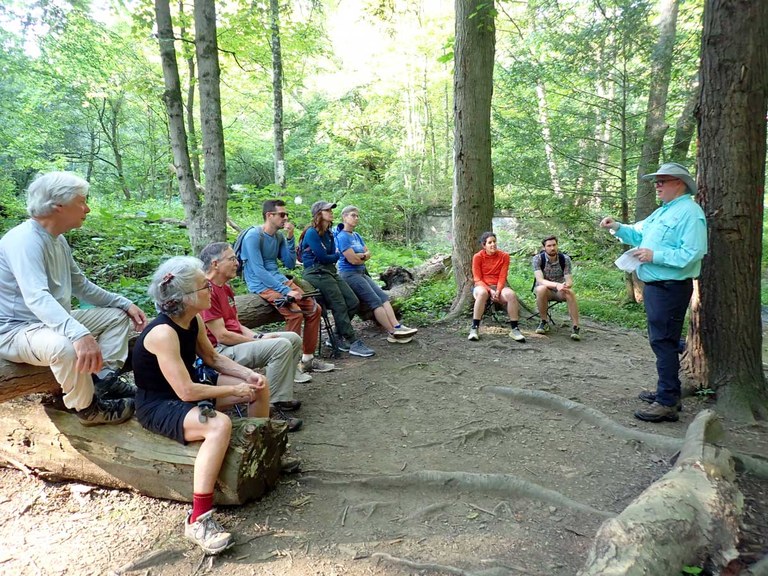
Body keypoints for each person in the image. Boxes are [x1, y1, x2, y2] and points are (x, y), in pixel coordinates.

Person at [133, 256, 271, 555]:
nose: (210, 288)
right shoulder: (163, 333)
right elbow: (185, 391)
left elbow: (212, 358)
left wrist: (247, 375)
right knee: (219, 425)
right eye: (203, 286)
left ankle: (261, 454)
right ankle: (198, 518)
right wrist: (233, 389)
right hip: (160, 404)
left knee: (258, 387)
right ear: (185, 297)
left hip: (190, 389)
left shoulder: (192, 320)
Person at [0, 171, 147, 426]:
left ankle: (102, 381)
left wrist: (124, 303)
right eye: (81, 201)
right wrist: (79, 334)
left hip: (50, 322)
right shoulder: (24, 241)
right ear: (58, 205)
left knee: (116, 317)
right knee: (65, 346)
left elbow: (82, 286)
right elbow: (37, 297)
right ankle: (88, 408)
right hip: (16, 330)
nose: (87, 209)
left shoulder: (57, 240)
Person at [600, 162, 706, 423]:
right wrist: (617, 226)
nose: (657, 185)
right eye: (656, 181)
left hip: (671, 288)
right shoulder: (663, 211)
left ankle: (667, 401)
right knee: (661, 341)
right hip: (656, 288)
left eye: (662, 181)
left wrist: (654, 255)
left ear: (679, 183)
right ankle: (668, 392)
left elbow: (693, 253)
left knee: (664, 342)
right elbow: (639, 233)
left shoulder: (690, 212)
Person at [199, 241, 304, 432]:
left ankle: (280, 398)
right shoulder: (206, 290)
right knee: (280, 346)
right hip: (219, 352)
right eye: (232, 259)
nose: (237, 263)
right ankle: (270, 409)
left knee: (293, 339)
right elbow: (222, 336)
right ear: (215, 264)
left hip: (234, 344)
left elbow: (236, 325)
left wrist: (260, 336)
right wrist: (257, 341)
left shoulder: (225, 287)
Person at [240, 199, 334, 374]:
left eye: (286, 214)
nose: (286, 218)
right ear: (270, 215)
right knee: (295, 313)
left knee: (315, 309)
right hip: (260, 283)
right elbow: (258, 270)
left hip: (278, 279)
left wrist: (290, 238)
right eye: (282, 214)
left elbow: (290, 263)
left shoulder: (278, 236)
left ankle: (307, 360)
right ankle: (289, 366)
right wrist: (286, 290)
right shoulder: (253, 236)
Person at [299, 201, 375, 357]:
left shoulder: (329, 233)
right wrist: (336, 255)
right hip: (315, 272)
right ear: (318, 213)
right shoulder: (311, 233)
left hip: (330, 271)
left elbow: (332, 256)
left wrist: (334, 256)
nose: (331, 212)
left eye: (331, 210)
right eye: (327, 210)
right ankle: (352, 341)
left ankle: (336, 336)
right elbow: (324, 257)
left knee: (353, 302)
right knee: (339, 304)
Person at [335, 205, 418, 344]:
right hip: (349, 274)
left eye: (357, 216)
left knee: (383, 297)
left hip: (361, 272)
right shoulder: (342, 237)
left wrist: (361, 256)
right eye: (353, 215)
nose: (356, 218)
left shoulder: (356, 235)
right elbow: (352, 260)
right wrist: (362, 256)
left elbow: (368, 253)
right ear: (344, 217)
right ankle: (392, 332)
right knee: (375, 301)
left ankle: (397, 326)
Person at [467, 232, 525, 343]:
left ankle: (515, 329)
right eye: (490, 242)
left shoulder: (504, 256)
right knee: (482, 293)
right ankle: (474, 328)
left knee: (511, 295)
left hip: (499, 287)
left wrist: (497, 291)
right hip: (482, 286)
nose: (493, 244)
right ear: (484, 245)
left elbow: (502, 276)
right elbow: (477, 279)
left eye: (494, 241)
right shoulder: (477, 257)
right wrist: (490, 290)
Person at [532, 236, 581, 341]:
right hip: (546, 290)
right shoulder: (538, 259)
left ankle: (576, 327)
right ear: (544, 247)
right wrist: (556, 285)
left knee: (570, 292)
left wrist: (566, 285)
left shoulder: (565, 259)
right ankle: (543, 321)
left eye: (554, 245)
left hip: (560, 290)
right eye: (549, 246)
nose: (552, 248)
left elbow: (569, 279)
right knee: (541, 289)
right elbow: (540, 280)